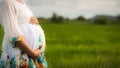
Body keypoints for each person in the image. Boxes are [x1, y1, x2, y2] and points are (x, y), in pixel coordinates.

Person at [0, 0, 48, 68]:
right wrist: (33, 53)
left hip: (32, 57)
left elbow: (24, 21)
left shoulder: (21, 2)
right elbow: (13, 34)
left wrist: (36, 23)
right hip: (20, 55)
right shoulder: (7, 2)